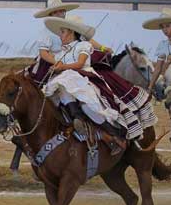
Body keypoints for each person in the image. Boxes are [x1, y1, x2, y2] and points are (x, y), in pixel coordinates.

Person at [42, 14, 128, 153]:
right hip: (67, 83)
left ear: (71, 32)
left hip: (84, 79)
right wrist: (55, 69)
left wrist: (61, 67)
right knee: (59, 87)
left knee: (90, 108)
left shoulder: (84, 45)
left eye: (62, 32)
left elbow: (80, 63)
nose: (60, 36)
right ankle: (76, 116)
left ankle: (116, 136)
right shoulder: (60, 53)